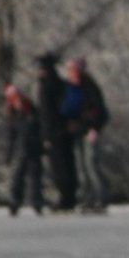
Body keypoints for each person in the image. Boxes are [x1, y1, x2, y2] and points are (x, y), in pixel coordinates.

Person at [62, 57, 109, 213]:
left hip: (89, 131)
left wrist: (94, 128)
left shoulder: (89, 87)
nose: (71, 73)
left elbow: (100, 111)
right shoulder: (68, 88)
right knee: (81, 167)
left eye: (74, 70)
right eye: (69, 70)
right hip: (77, 131)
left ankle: (100, 199)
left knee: (91, 165)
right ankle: (86, 199)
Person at [37, 53, 77, 212]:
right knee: (68, 164)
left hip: (55, 132)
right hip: (64, 130)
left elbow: (46, 113)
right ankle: (70, 197)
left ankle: (65, 199)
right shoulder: (60, 83)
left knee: (59, 167)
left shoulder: (47, 85)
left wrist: (46, 135)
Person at [4, 85, 44, 216]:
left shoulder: (32, 111)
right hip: (20, 150)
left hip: (34, 148)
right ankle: (15, 202)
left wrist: (44, 144)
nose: (16, 101)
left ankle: (37, 202)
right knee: (17, 177)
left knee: (35, 177)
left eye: (17, 98)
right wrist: (8, 154)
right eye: (12, 99)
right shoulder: (12, 115)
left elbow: (41, 129)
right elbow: (11, 136)